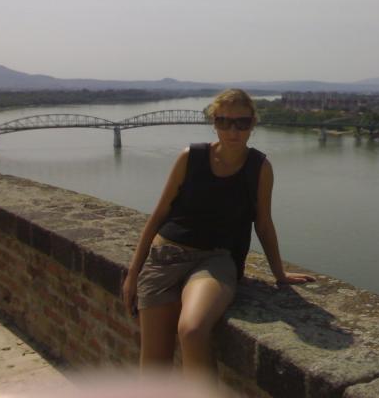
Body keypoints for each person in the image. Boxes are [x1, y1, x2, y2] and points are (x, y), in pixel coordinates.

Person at [122, 89, 314, 377]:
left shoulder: (259, 167)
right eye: (224, 122)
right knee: (154, 370)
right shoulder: (191, 157)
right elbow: (160, 215)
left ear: (253, 124)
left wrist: (279, 274)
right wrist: (133, 273)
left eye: (241, 123)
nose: (233, 131)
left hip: (216, 260)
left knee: (192, 330)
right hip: (166, 256)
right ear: (214, 123)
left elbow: (263, 223)